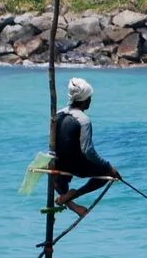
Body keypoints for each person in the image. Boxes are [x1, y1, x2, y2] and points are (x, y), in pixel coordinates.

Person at [51, 77, 119, 218]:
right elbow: (88, 151)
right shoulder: (83, 120)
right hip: (76, 166)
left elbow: (53, 144)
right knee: (106, 175)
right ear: (85, 100)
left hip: (59, 164)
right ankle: (75, 194)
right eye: (90, 98)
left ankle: (72, 204)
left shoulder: (57, 115)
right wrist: (108, 166)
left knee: (53, 171)